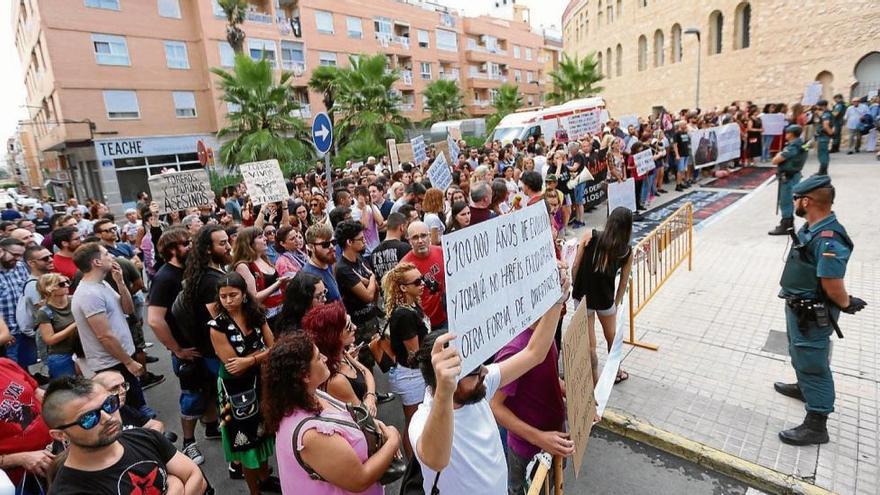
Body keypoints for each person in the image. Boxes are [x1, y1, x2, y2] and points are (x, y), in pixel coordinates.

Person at [409, 264, 568, 494]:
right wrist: (444, 391)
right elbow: (436, 459)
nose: (485, 373)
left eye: (481, 365)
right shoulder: (422, 421)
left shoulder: (480, 385)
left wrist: (557, 299)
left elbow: (534, 353)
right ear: (444, 380)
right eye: (473, 372)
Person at [774, 175, 865, 446]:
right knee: (799, 353)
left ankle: (816, 424)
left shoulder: (828, 237)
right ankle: (805, 389)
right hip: (798, 308)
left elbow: (832, 284)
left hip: (812, 315)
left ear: (807, 200)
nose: (794, 204)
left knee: (813, 364)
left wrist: (846, 302)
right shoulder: (812, 227)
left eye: (796, 199)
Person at [262, 332, 401, 495]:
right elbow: (360, 479)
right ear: (305, 376)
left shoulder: (311, 395)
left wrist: (372, 426)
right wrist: (393, 439)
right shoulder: (312, 435)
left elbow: (344, 418)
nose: (325, 358)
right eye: (318, 357)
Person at [43, 376, 207, 495]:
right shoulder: (69, 490)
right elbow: (186, 481)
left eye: (109, 404)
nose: (108, 418)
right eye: (88, 418)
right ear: (60, 435)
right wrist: (175, 486)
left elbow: (196, 478)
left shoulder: (144, 437)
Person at [147, 227, 217, 465]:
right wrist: (176, 349)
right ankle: (189, 443)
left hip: (203, 347)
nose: (190, 246)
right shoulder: (165, 278)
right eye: (185, 243)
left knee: (208, 391)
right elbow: (154, 320)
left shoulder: (190, 270)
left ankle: (211, 427)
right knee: (192, 397)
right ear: (171, 250)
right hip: (187, 352)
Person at [208, 272, 279, 494]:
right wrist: (260, 355)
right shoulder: (217, 325)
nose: (228, 301)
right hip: (235, 389)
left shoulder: (256, 315)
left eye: (233, 295)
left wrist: (251, 359)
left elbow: (273, 347)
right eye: (223, 296)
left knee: (264, 431)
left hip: (260, 382)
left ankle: (265, 478)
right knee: (245, 440)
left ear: (244, 295)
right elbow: (233, 365)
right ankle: (254, 490)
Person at [70, 243, 148, 410]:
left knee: (138, 405)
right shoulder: (89, 294)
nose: (111, 256)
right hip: (112, 363)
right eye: (106, 254)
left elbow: (127, 309)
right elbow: (104, 335)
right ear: (96, 262)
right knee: (131, 410)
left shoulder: (102, 285)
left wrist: (120, 282)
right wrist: (128, 362)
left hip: (122, 357)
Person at [571, 207, 634, 385]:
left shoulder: (590, 235)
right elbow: (623, 282)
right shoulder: (626, 251)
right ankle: (616, 372)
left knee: (590, 344)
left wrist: (576, 286)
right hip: (605, 298)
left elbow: (575, 264)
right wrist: (616, 302)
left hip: (583, 296)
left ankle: (594, 382)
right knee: (611, 337)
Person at [381, 262, 430, 458]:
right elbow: (415, 354)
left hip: (414, 373)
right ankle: (414, 466)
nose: (423, 284)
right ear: (403, 288)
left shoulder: (412, 305)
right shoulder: (404, 315)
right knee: (414, 421)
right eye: (417, 281)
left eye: (422, 278)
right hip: (411, 375)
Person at [301, 302, 378, 415]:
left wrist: (370, 396)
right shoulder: (336, 380)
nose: (354, 327)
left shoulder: (342, 353)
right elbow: (364, 417)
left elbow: (365, 371)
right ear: (333, 336)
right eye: (348, 327)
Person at [0, 357, 54, 493]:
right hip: (26, 476)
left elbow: (36, 392)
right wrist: (21, 458)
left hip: (57, 447)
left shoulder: (4, 364)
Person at [232, 227, 290, 327]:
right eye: (260, 237)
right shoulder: (244, 266)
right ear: (249, 243)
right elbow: (254, 297)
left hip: (281, 313)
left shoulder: (264, 258)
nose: (265, 239)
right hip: (266, 319)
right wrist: (278, 283)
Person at [401, 222, 447, 331]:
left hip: (447, 317)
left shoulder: (442, 252)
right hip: (424, 324)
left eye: (423, 235)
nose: (420, 241)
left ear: (430, 236)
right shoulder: (404, 266)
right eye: (415, 237)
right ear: (409, 241)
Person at [35, 273, 79, 379]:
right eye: (61, 284)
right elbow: (50, 339)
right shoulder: (45, 312)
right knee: (69, 390)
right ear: (49, 289)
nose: (67, 285)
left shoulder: (75, 300)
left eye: (67, 282)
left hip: (81, 351)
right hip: (62, 354)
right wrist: (75, 324)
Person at [92, 370, 165, 433]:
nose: (123, 391)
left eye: (124, 385)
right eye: (114, 388)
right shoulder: (97, 422)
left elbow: (156, 424)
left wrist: (147, 442)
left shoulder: (123, 408)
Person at [768, 125, 808, 235]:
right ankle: (787, 224)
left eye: (788, 132)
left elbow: (775, 160)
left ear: (791, 134)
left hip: (788, 177)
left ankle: (786, 225)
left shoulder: (793, 147)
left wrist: (778, 155)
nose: (786, 134)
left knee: (785, 201)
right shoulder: (801, 145)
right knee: (788, 200)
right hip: (793, 175)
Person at [0, 238, 33, 368]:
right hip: (7, 333)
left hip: (24, 328)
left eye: (21, 255)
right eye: (15, 255)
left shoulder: (20, 267)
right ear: (1, 251)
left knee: (28, 364)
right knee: (11, 369)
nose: (18, 259)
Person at [369, 212, 412, 289]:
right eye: (406, 226)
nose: (406, 229)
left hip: (385, 297)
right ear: (401, 227)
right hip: (402, 294)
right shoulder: (404, 248)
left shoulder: (374, 253)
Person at [301, 223, 341, 303]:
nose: (331, 247)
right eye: (325, 244)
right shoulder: (309, 277)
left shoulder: (327, 262)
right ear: (311, 247)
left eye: (333, 242)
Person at [814, 99, 834, 176]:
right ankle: (823, 171)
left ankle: (822, 172)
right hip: (823, 136)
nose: (817, 108)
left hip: (823, 136)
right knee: (823, 154)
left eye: (818, 106)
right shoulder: (826, 113)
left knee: (822, 154)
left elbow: (826, 125)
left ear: (823, 106)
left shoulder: (826, 114)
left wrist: (831, 134)